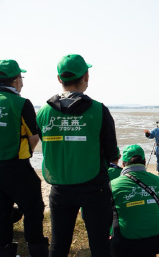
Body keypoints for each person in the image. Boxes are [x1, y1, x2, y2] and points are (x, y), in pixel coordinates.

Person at [36, 54, 118, 257]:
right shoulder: (98, 110)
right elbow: (112, 155)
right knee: (100, 245)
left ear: (59, 79)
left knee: (59, 245)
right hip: (94, 188)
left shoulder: (44, 111)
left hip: (59, 187)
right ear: (86, 76)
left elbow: (37, 144)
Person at [0, 59, 48, 256]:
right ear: (16, 80)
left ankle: (5, 251)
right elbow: (34, 137)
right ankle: (36, 250)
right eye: (22, 78)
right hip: (16, 167)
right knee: (34, 209)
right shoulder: (21, 103)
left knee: (1, 212)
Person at [110, 145, 159, 257]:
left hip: (127, 243)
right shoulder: (157, 180)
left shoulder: (114, 184)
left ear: (123, 164)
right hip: (156, 239)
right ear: (145, 161)